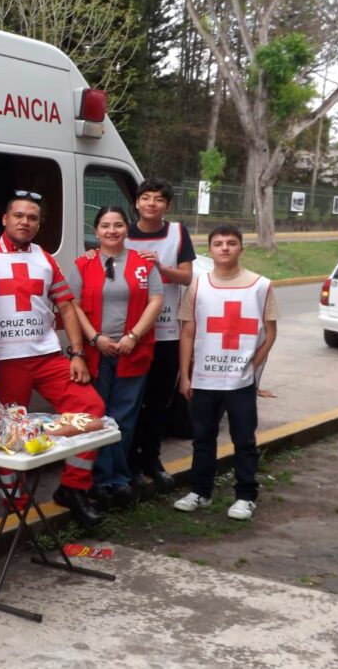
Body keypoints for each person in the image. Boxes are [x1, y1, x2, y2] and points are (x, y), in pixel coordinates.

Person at [0, 190, 106, 527]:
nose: (25, 222)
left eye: (32, 218)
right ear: (5, 219)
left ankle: (73, 487)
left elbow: (66, 306)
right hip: (3, 360)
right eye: (19, 216)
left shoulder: (45, 257)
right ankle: (15, 503)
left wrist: (76, 353)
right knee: (5, 432)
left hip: (46, 356)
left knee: (91, 410)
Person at [174, 225, 278, 520]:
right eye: (218, 243)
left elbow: (270, 333)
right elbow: (187, 332)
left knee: (244, 440)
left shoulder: (260, 285)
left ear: (240, 248)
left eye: (231, 243)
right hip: (205, 378)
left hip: (240, 381)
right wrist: (185, 374)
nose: (224, 248)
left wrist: (252, 367)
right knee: (202, 438)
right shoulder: (198, 285)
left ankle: (246, 496)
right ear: (211, 249)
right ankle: (200, 492)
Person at [67, 206, 163, 508]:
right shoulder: (82, 264)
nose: (112, 231)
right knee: (96, 417)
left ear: (126, 229)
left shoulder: (142, 264)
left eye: (118, 225)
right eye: (105, 226)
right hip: (95, 352)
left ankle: (117, 479)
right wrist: (95, 338)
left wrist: (133, 336)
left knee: (124, 417)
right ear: (96, 231)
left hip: (131, 352)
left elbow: (156, 300)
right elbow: (74, 306)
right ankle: (98, 478)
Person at [123, 179, 196, 490]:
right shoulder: (121, 232)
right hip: (129, 332)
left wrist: (161, 268)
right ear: (137, 202)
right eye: (146, 198)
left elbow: (187, 276)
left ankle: (152, 458)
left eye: (159, 199)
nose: (151, 203)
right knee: (129, 402)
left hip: (165, 332)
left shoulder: (177, 232)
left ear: (167, 205)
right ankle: (129, 461)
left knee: (157, 402)